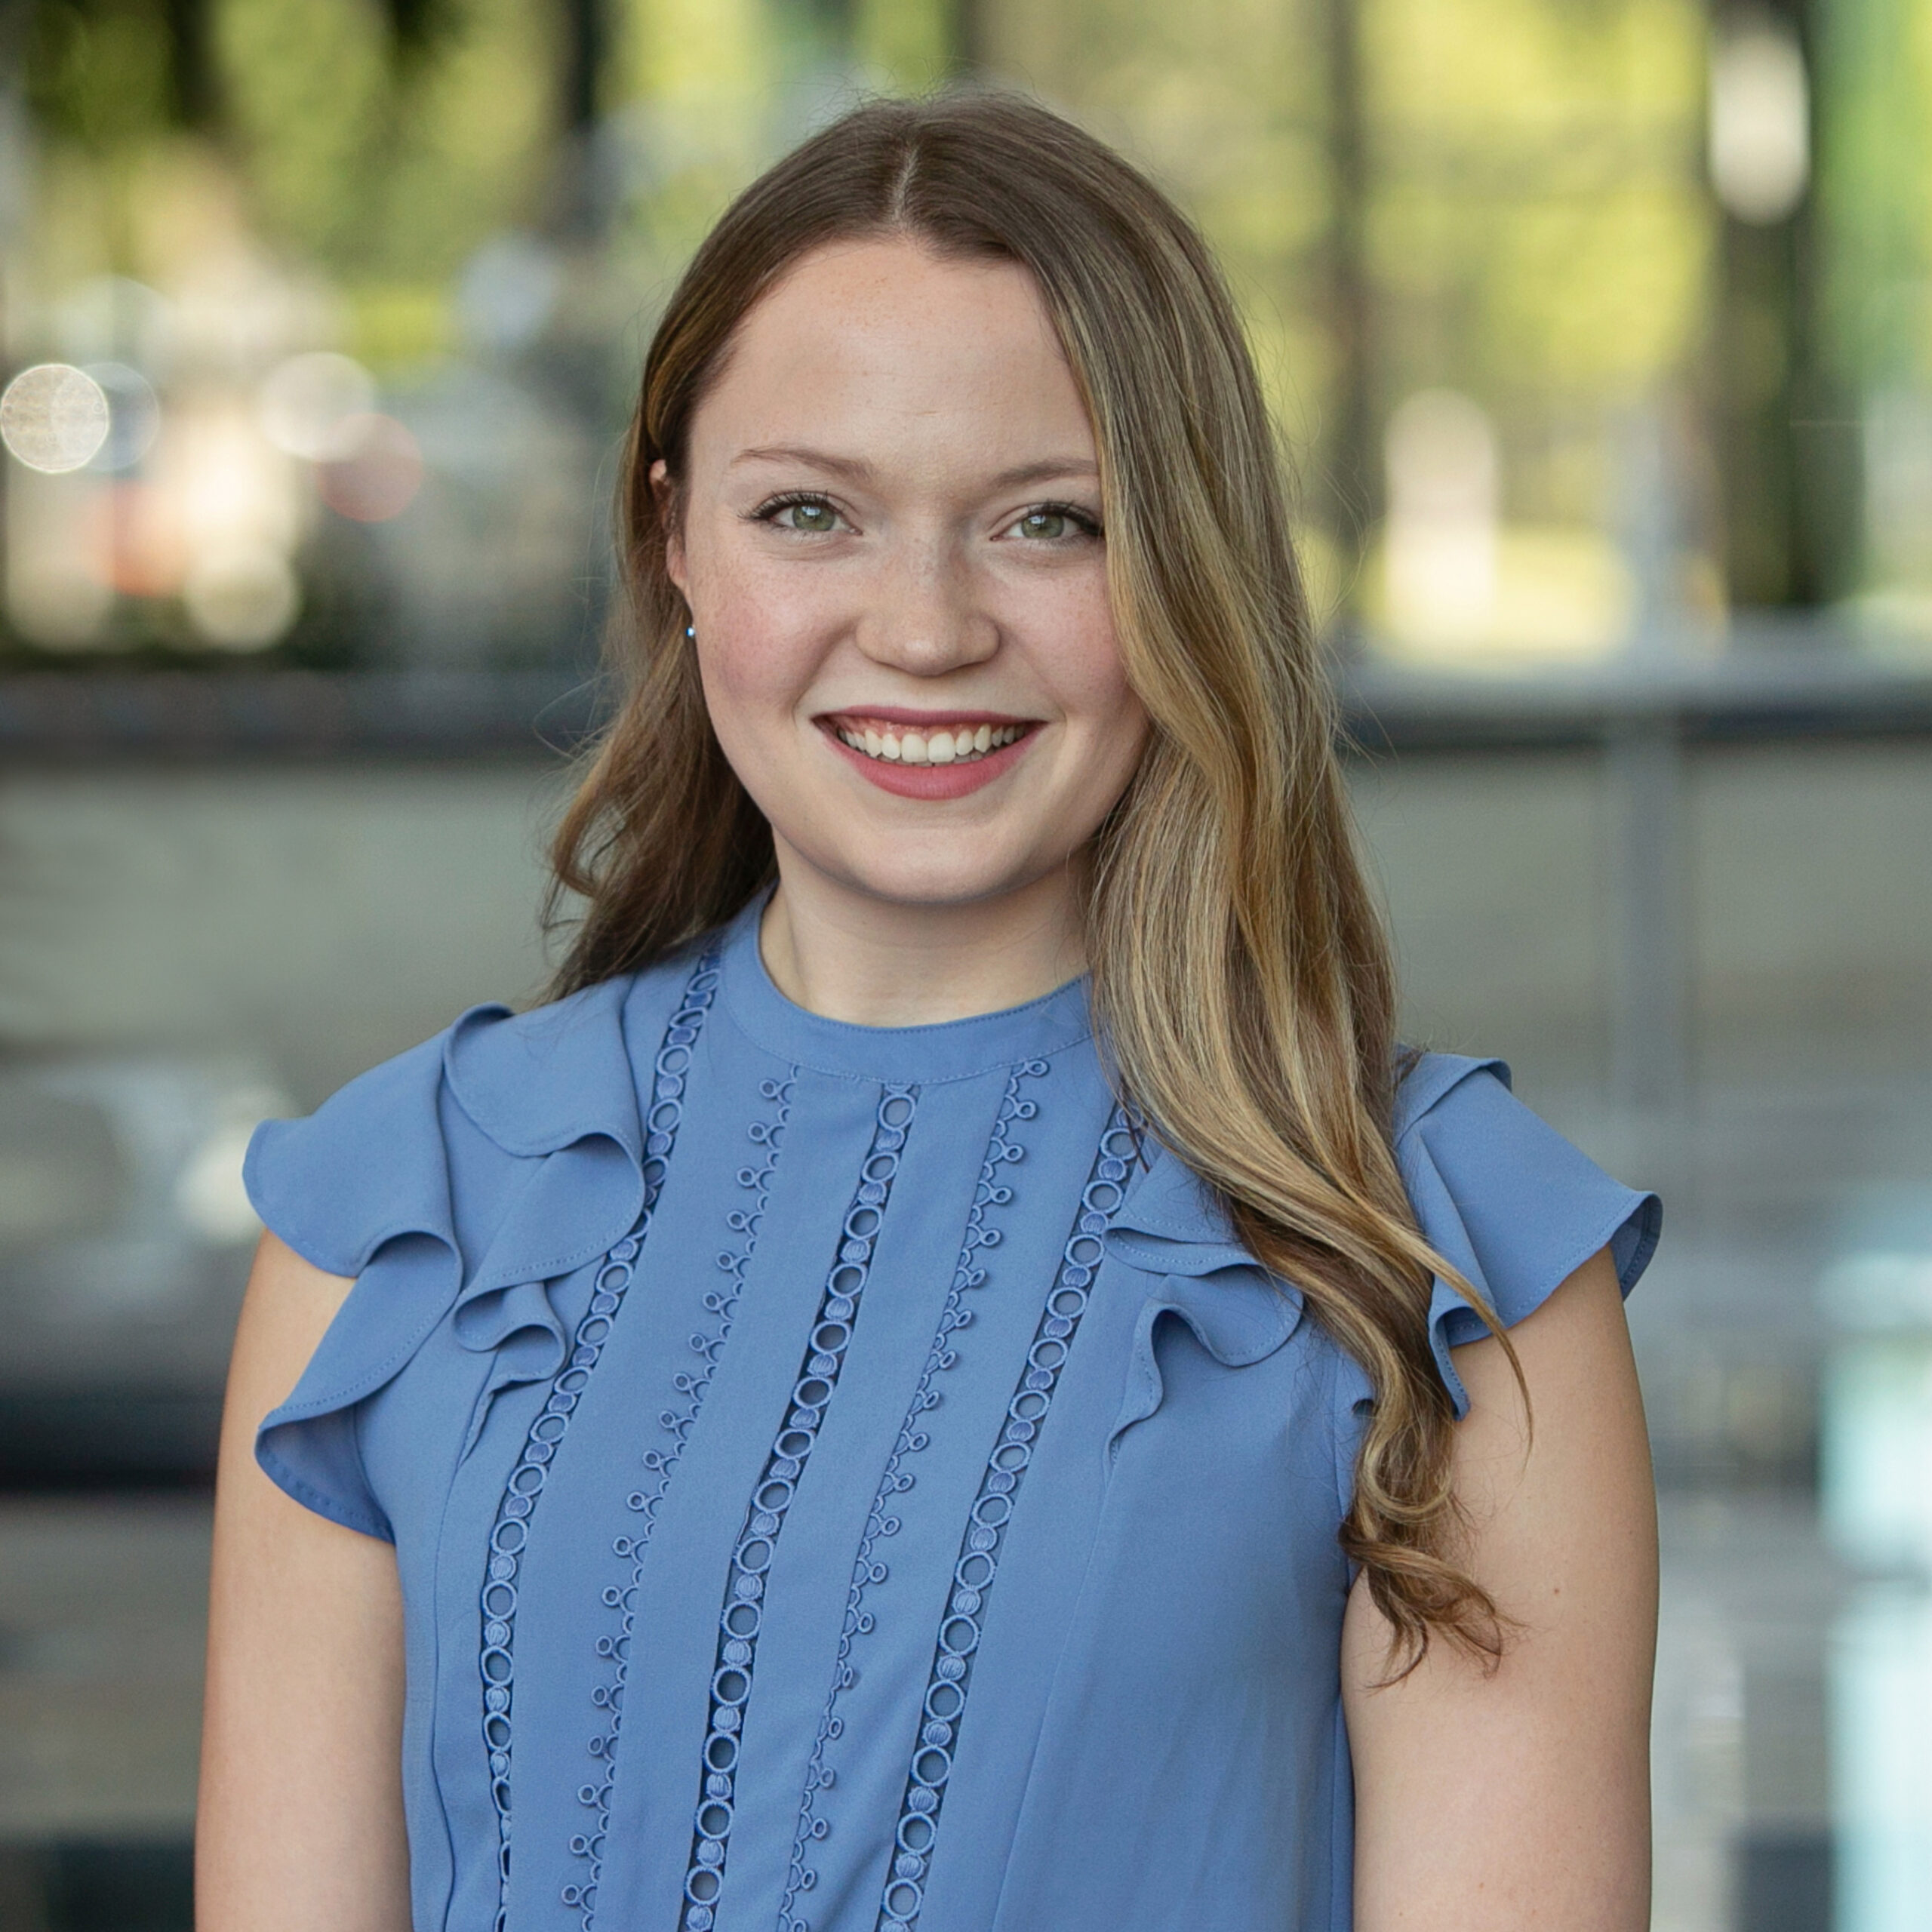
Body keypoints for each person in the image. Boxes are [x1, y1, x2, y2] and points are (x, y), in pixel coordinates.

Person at [198, 91, 1661, 1932]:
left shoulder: (1441, 1263)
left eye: (1046, 523)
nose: (922, 625)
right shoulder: (397, 1221)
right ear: (674, 541)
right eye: (808, 509)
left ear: (1184, 568)